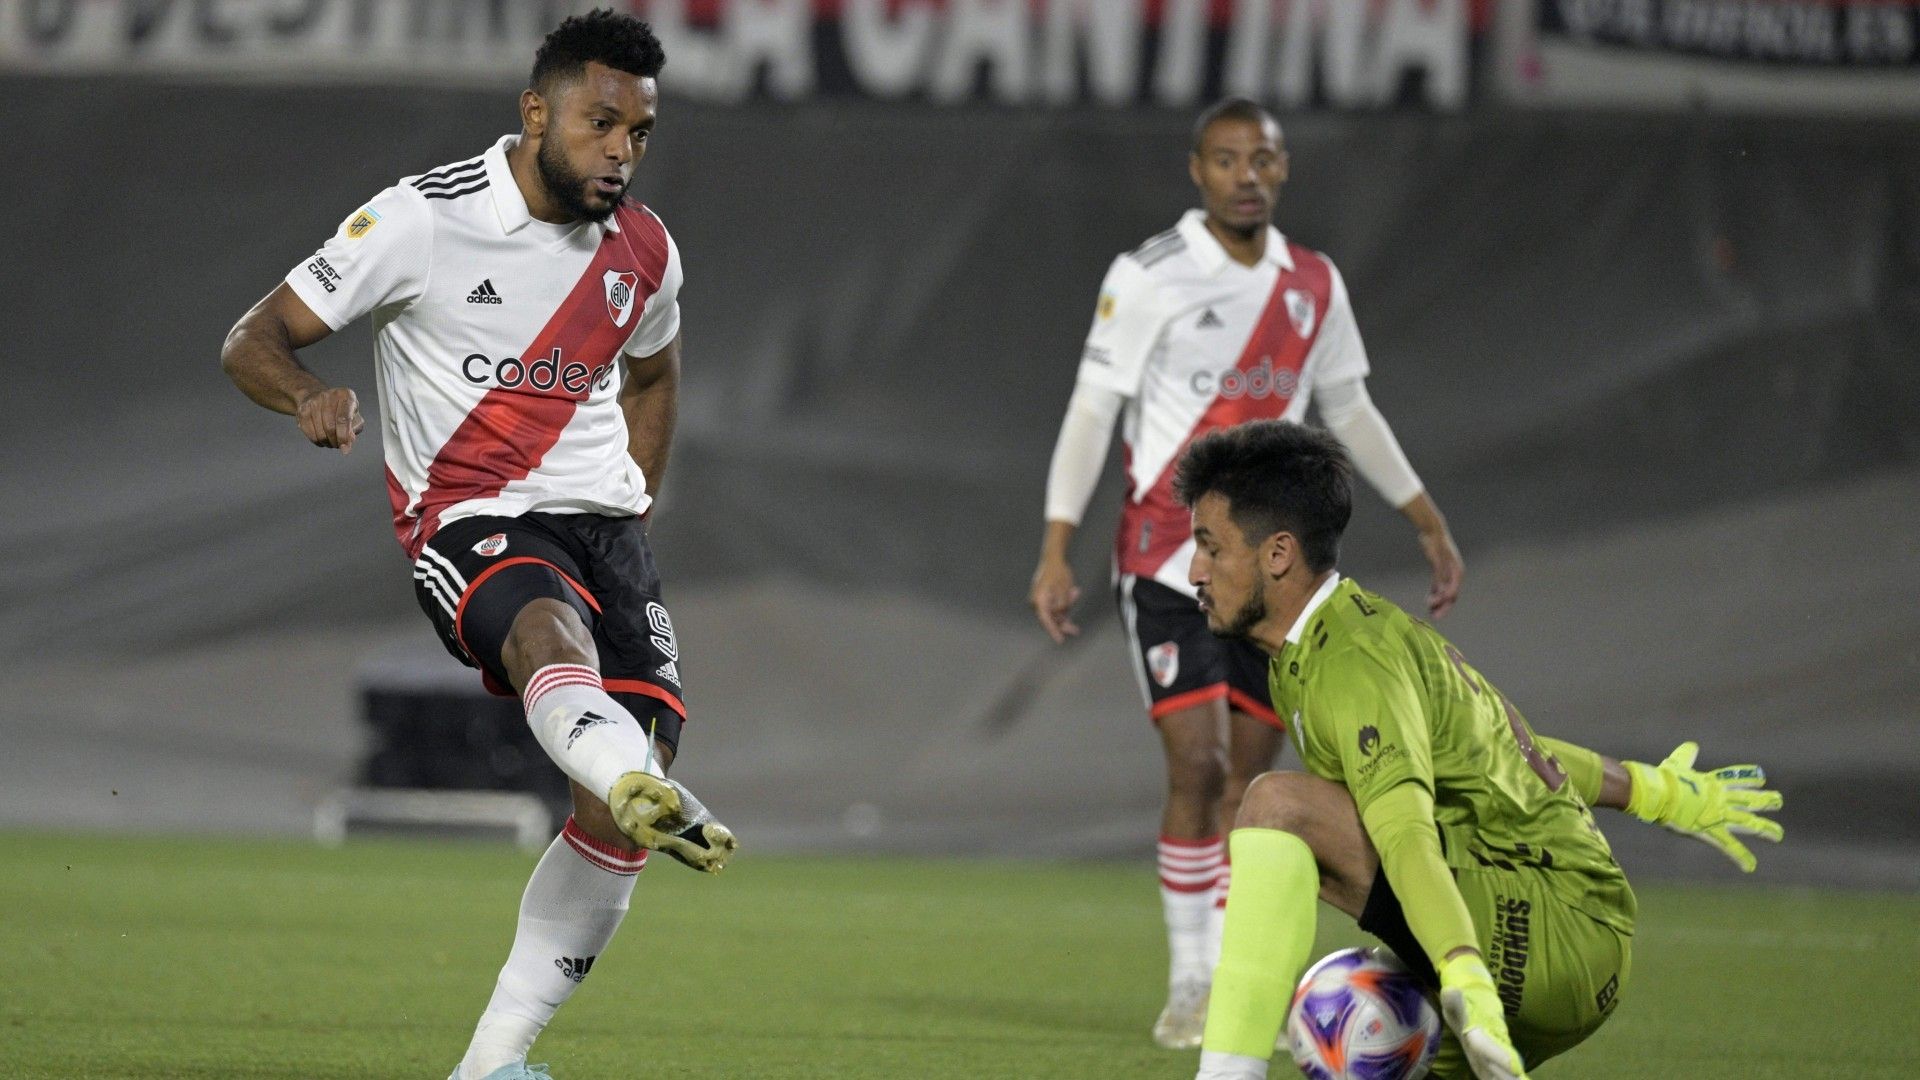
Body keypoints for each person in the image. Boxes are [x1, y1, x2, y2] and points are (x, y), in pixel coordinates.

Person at [218, 11, 735, 1079]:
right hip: (471, 519)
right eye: (602, 125)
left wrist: (637, 504)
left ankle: (487, 1068)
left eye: (640, 132)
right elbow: (250, 339)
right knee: (547, 635)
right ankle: (627, 770)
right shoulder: (423, 219)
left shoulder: (645, 249)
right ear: (536, 111)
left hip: (607, 530)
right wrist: (311, 393)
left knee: (616, 814)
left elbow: (653, 374)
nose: (622, 153)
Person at [1028, 97, 1464, 1048]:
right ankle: (1190, 980)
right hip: (1166, 560)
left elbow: (1348, 407)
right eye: (1228, 159)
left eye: (1262, 158)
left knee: (1256, 784)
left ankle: (1233, 979)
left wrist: (1425, 517)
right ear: (1198, 170)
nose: (1247, 175)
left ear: (1283, 168)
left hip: (1276, 577)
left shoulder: (1312, 281)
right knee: (1200, 762)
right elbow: (1093, 409)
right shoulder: (1150, 276)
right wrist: (1058, 541)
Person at [1172, 420, 1784, 1080]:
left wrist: (1464, 972)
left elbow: (1404, 834)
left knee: (1278, 805)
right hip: (1575, 948)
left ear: (1278, 554)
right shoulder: (1331, 643)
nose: (1194, 570)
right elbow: (1508, 749)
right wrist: (1655, 791)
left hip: (1541, 934)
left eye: (1210, 546)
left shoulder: (1351, 661)